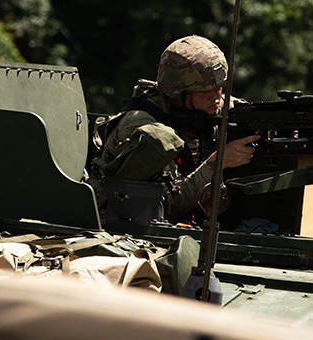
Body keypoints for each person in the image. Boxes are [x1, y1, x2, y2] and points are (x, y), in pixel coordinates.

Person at [94, 35, 259, 224]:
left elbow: (243, 111)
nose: (215, 98)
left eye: (220, 88)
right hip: (123, 228)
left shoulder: (207, 105)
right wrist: (218, 162)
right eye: (204, 91)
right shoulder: (146, 130)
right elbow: (168, 208)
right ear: (178, 93)